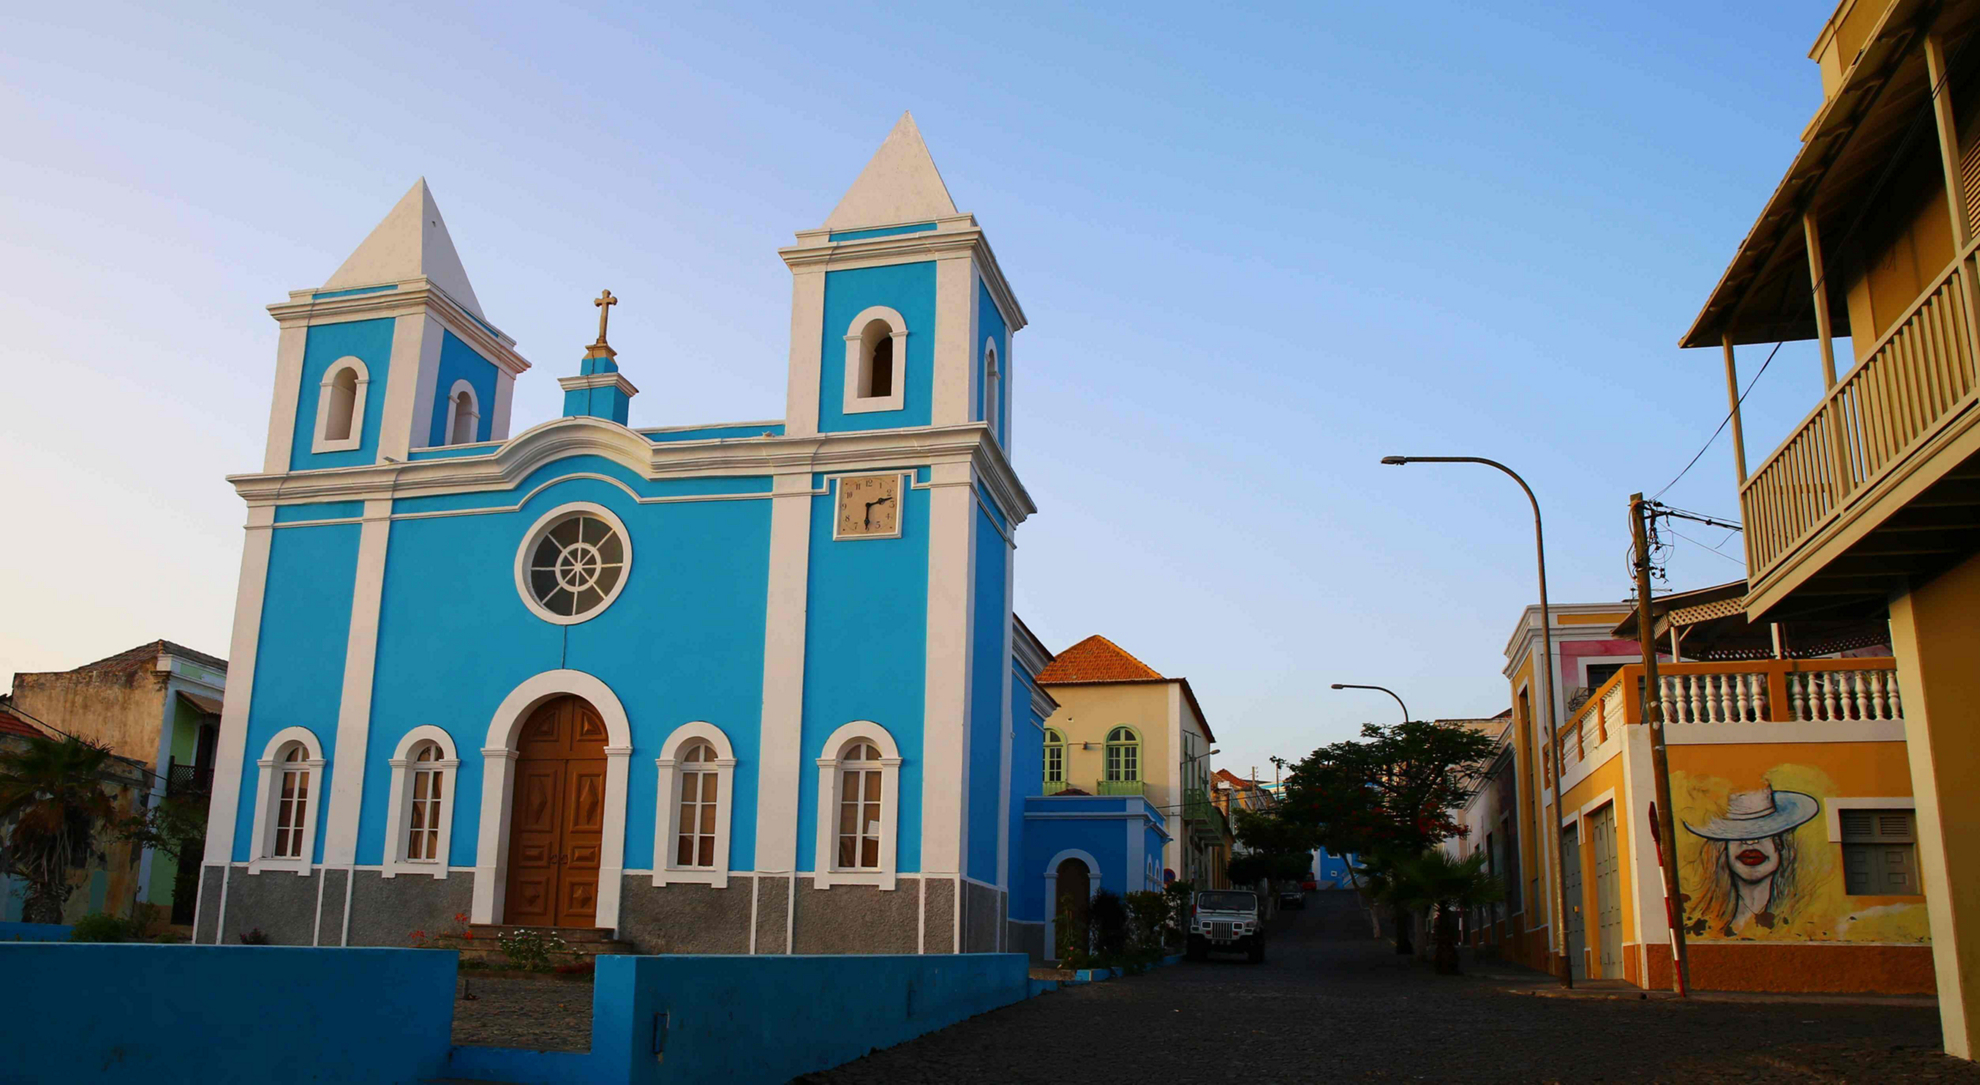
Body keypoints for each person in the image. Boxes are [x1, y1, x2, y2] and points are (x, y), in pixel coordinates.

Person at [1683, 786, 1819, 934]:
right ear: (1723, 848)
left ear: (1780, 844)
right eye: (1736, 832)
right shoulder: (1703, 926)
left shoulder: (1805, 924)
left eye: (1765, 831)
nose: (1751, 841)